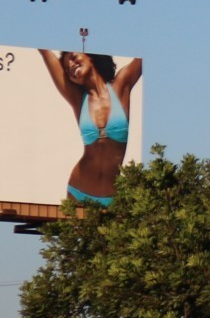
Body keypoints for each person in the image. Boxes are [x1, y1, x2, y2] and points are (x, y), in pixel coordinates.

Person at [39, 50, 141, 206]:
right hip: (78, 191)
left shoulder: (121, 84)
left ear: (91, 56)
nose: (71, 66)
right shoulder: (78, 99)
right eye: (67, 68)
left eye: (73, 58)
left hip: (113, 197)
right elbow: (46, 53)